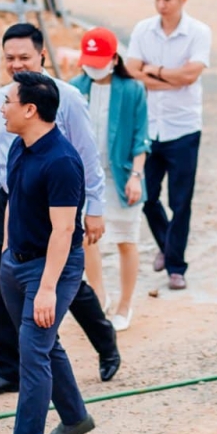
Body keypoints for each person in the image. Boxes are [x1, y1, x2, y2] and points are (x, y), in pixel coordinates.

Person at [0, 25, 120, 398]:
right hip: (11, 203)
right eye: (9, 58)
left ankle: (104, 340)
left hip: (56, 204)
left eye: (24, 57)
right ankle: (7, 369)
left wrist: (95, 209)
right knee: (6, 284)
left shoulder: (66, 98)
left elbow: (86, 155)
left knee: (64, 283)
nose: (16, 64)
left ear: (41, 56)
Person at [0, 72, 95, 434]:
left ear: (30, 109)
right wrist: (6, 251)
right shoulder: (19, 146)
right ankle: (75, 417)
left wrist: (47, 288)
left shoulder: (61, 162)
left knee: (33, 352)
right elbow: (13, 200)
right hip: (16, 263)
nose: (2, 108)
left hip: (52, 267)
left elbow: (64, 229)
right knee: (44, 344)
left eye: (8, 101)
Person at [123, 0, 212, 291]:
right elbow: (132, 72)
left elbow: (190, 76)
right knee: (146, 196)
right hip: (149, 127)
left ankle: (176, 266)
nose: (162, 4)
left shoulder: (198, 32)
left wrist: (154, 71)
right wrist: (169, 77)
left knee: (181, 201)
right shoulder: (143, 30)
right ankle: (168, 245)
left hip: (183, 127)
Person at [72, 27, 149, 331]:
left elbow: (141, 138)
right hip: (86, 178)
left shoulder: (132, 90)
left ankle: (125, 304)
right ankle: (99, 295)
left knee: (126, 239)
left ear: (115, 59)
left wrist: (136, 176)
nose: (93, 68)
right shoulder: (74, 89)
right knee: (87, 237)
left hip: (121, 176)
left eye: (99, 61)